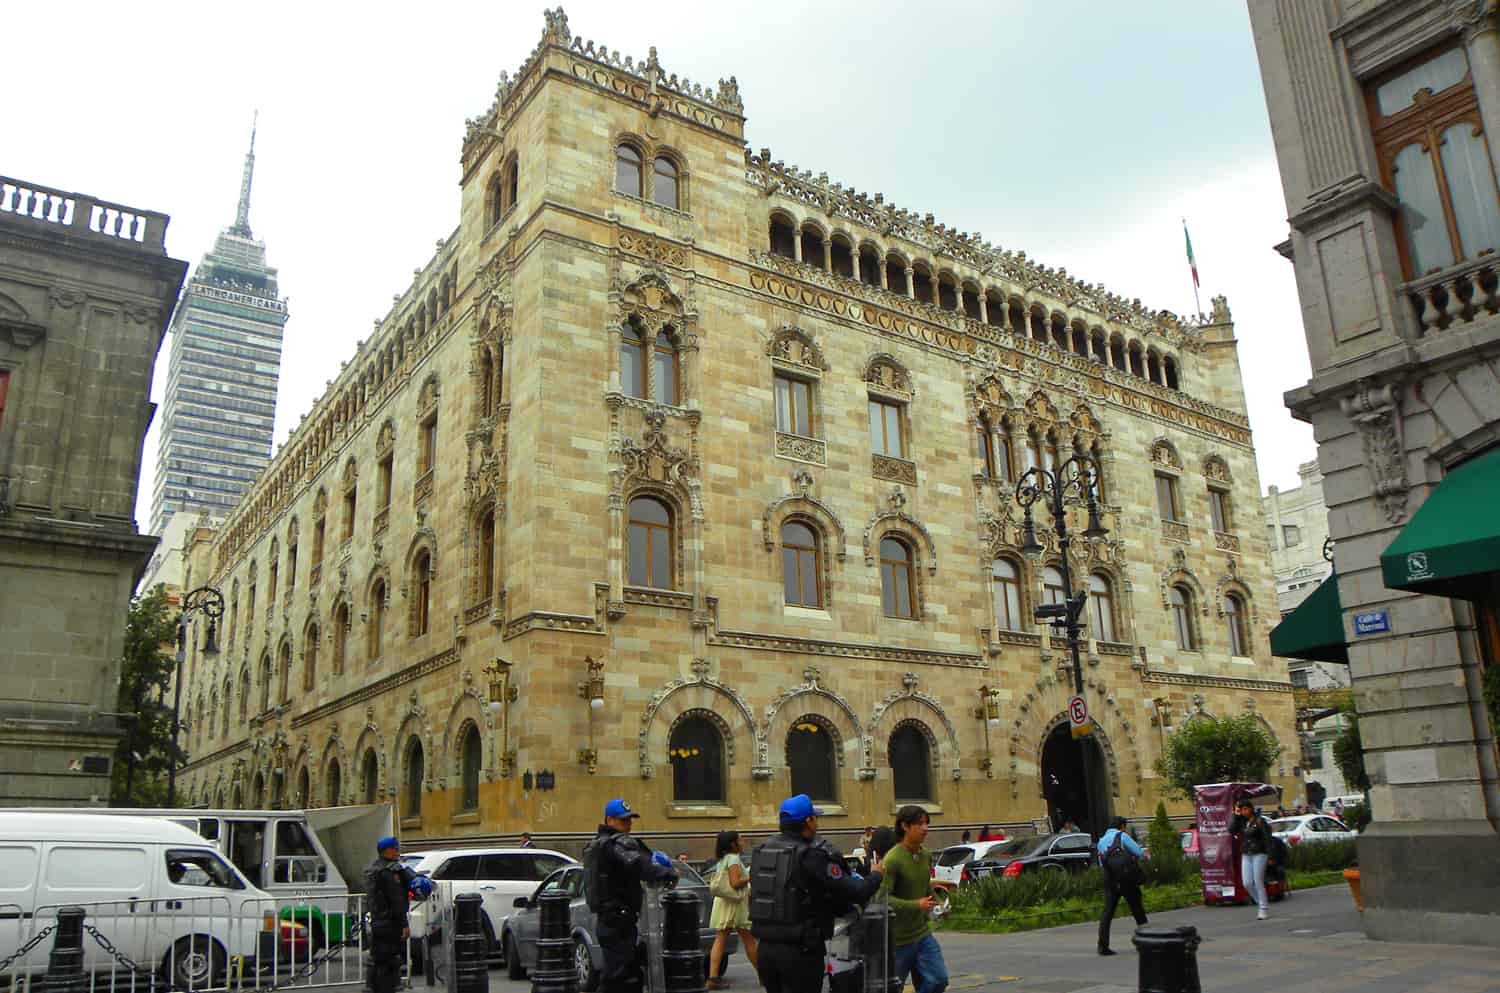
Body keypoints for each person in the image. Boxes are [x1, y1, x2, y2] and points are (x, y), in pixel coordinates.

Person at [750, 794, 882, 993]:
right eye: (815, 818)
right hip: (799, 953)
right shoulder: (810, 855)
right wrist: (876, 875)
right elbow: (855, 891)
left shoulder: (763, 850)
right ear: (808, 821)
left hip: (765, 950)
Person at [585, 798, 678, 993]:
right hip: (617, 919)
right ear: (610, 820)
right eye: (623, 820)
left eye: (630, 820)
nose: (628, 825)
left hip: (612, 918)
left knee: (623, 974)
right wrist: (668, 873)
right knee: (618, 977)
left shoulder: (597, 844)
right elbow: (639, 865)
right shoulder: (615, 844)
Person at [880, 806, 951, 993]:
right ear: (904, 826)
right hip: (898, 940)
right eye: (920, 824)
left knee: (939, 980)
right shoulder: (893, 859)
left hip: (922, 934)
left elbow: (925, 887)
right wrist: (916, 905)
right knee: (893, 988)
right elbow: (882, 899)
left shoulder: (925, 855)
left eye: (927, 823)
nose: (925, 828)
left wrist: (938, 906)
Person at [707, 830, 758, 989]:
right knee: (749, 939)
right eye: (740, 840)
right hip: (735, 903)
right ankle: (764, 975)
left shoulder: (722, 860)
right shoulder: (734, 859)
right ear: (733, 844)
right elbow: (735, 883)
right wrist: (751, 875)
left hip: (723, 902)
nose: (743, 843)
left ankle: (713, 978)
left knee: (720, 939)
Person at [364, 836, 415, 993]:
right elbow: (397, 900)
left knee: (376, 958)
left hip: (377, 921)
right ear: (387, 850)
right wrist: (404, 925)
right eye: (395, 848)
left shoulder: (373, 869)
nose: (398, 852)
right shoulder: (390, 871)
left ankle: (371, 987)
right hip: (390, 922)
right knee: (390, 959)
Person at [1094, 816, 1147, 955]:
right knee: (1137, 909)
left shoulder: (1101, 841)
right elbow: (1139, 853)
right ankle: (1147, 941)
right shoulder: (1122, 836)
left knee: (1107, 912)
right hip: (1126, 878)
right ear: (1122, 826)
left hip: (1110, 879)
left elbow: (1101, 863)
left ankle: (1102, 945)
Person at [1232, 799, 1273, 920]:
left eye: (1245, 809)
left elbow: (1267, 839)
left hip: (1259, 853)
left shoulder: (1260, 821)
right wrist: (1235, 815)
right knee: (1247, 883)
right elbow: (1231, 830)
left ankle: (1263, 908)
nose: (1243, 811)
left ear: (1251, 809)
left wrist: (1270, 855)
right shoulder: (1241, 822)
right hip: (1246, 854)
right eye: (1241, 809)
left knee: (1258, 881)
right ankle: (1259, 901)